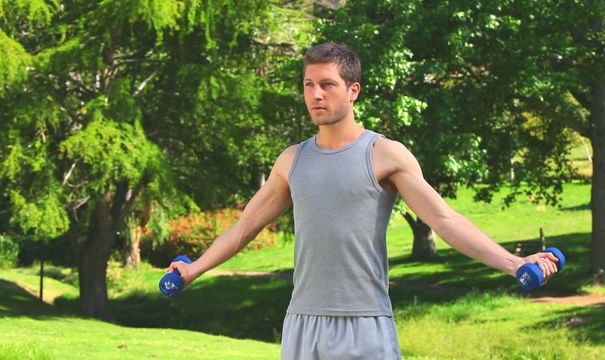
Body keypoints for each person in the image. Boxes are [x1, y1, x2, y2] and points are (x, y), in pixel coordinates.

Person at [167, 42, 559, 359]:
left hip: (363, 322)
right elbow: (243, 229)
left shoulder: (385, 155)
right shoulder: (291, 160)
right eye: (308, 85)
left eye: (327, 84)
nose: (315, 95)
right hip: (302, 322)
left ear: (353, 90)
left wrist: (514, 262)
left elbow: (445, 220)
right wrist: (192, 270)